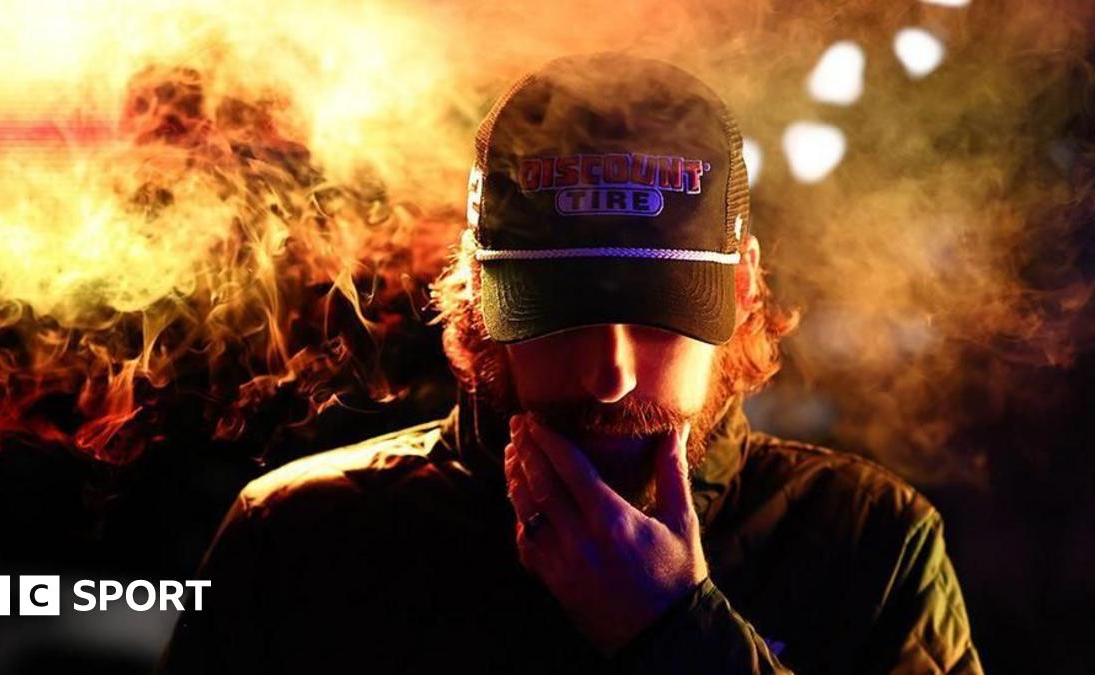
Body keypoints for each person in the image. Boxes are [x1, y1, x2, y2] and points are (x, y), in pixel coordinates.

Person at [155, 53, 983, 674]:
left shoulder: (869, 541)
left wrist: (677, 633)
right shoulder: (300, 537)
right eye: (560, 313)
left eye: (661, 313)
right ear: (475, 293)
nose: (610, 375)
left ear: (743, 288)